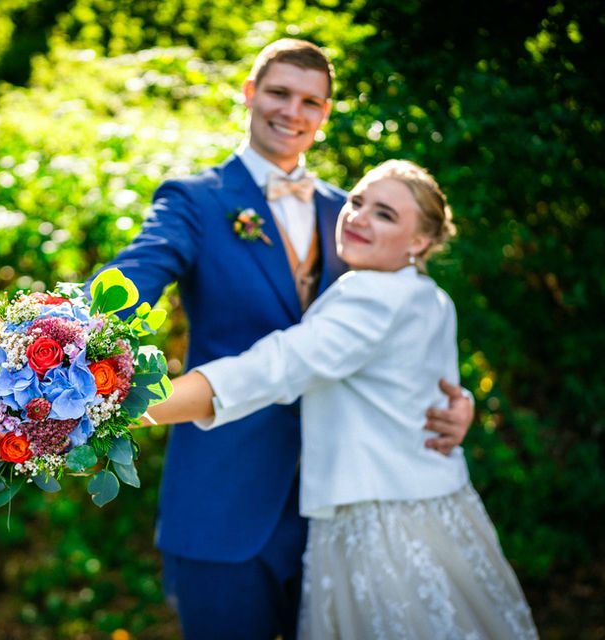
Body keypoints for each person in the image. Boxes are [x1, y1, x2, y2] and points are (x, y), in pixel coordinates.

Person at [94, 39, 474, 638]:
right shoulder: (195, 199)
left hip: (339, 503)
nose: (292, 111)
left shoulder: (347, 210)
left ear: (325, 114)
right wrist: (72, 339)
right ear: (249, 94)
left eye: (310, 101)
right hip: (224, 498)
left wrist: (454, 401)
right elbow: (135, 275)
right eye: (278, 93)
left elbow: (403, 323)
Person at [143, 159, 539, 639]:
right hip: (437, 509)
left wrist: (125, 407)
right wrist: (465, 403)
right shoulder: (429, 296)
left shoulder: (370, 296)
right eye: (356, 202)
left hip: (378, 527)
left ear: (420, 242)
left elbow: (272, 368)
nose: (357, 217)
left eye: (385, 215)